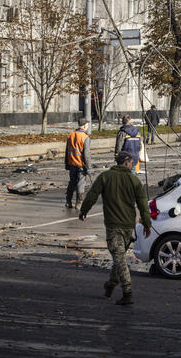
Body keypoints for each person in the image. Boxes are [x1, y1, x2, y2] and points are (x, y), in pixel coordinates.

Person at [78, 151, 152, 306]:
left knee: (119, 259)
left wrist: (84, 210)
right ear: (125, 162)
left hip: (113, 225)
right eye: (131, 162)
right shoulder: (134, 180)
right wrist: (147, 224)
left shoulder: (105, 177)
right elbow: (143, 205)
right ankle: (110, 285)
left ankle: (127, 292)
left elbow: (92, 195)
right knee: (119, 258)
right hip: (128, 226)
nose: (132, 165)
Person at [64, 117, 91, 209]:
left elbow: (67, 151)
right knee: (80, 183)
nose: (88, 126)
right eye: (87, 125)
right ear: (83, 126)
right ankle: (79, 203)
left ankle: (68, 201)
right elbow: (86, 155)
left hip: (72, 163)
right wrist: (89, 167)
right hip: (81, 165)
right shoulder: (85, 138)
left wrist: (66, 164)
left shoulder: (71, 135)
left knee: (72, 182)